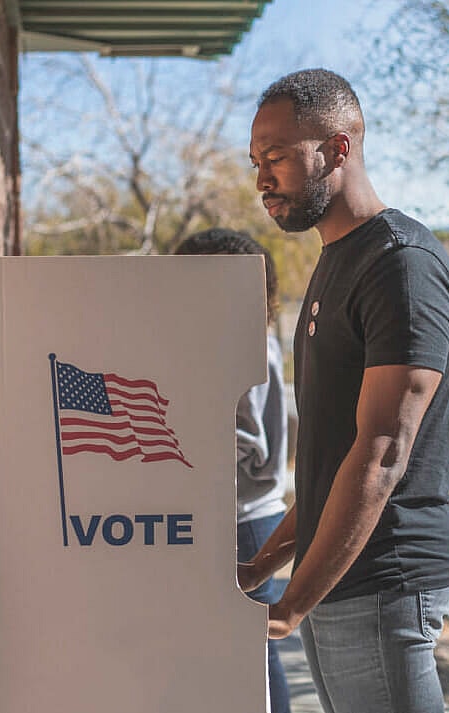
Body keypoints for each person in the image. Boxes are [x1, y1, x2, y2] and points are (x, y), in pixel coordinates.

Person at [237, 68, 449, 713]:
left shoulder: (400, 264)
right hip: (340, 577)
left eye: (277, 157)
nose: (261, 179)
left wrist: (292, 606)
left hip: (383, 576)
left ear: (338, 149)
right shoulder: (338, 260)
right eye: (256, 160)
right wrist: (262, 568)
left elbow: (383, 453)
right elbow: (332, 459)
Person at [173, 229, 292, 713]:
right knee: (249, 650)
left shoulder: (251, 348)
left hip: (246, 520)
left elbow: (246, 445)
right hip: (246, 516)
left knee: (254, 652)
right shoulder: (238, 342)